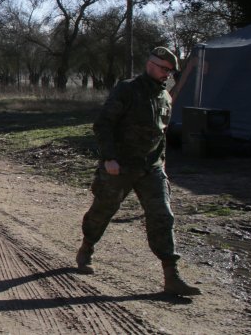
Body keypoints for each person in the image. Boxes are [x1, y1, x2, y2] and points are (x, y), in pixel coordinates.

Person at [75, 46, 201, 296]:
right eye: (164, 69)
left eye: (170, 71)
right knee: (102, 211)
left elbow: (161, 134)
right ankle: (87, 247)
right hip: (119, 167)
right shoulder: (128, 89)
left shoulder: (165, 97)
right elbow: (103, 125)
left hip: (151, 168)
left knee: (162, 216)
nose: (167, 74)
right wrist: (109, 158)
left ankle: (171, 275)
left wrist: (161, 163)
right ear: (151, 64)